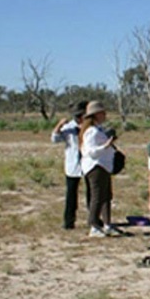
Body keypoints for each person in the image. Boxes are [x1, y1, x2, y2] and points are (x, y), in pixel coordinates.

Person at [79, 100, 124, 237]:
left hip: (104, 166)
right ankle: (94, 225)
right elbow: (90, 151)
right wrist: (106, 145)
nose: (105, 115)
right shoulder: (91, 132)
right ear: (96, 114)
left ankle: (107, 224)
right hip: (96, 167)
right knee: (97, 197)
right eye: (102, 113)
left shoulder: (98, 129)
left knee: (106, 196)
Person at [51, 100, 88, 230]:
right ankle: (69, 221)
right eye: (77, 116)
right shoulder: (69, 127)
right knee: (71, 195)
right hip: (73, 165)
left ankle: (93, 220)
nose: (79, 118)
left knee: (92, 194)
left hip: (88, 164)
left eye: (81, 115)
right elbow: (54, 139)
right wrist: (59, 125)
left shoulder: (91, 127)